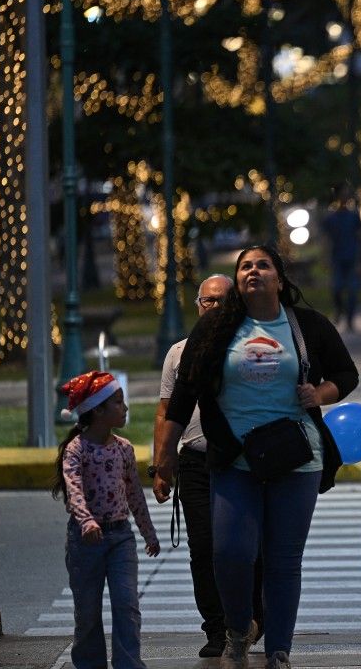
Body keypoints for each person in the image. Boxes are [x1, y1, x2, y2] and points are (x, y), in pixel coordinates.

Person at [155, 245, 359, 669]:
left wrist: (319, 393)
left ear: (278, 279)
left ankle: (278, 650)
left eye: (263, 265)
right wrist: (165, 455)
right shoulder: (216, 327)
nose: (253, 271)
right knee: (230, 552)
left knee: (283, 560)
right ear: (238, 280)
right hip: (234, 457)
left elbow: (347, 374)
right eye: (245, 266)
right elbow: (183, 395)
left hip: (296, 456)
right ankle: (237, 630)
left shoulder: (306, 325)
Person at [151, 274, 261, 658]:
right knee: (203, 547)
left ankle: (249, 618)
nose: (213, 307)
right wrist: (161, 464)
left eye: (221, 300)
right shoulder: (179, 353)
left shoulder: (251, 348)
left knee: (245, 546)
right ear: (197, 305)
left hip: (241, 461)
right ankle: (217, 629)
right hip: (195, 461)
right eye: (207, 301)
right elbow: (165, 410)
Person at [53, 370, 159, 669]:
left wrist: (148, 533)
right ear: (97, 410)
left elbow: (135, 494)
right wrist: (87, 521)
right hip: (86, 541)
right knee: (87, 612)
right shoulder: (76, 450)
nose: (125, 408)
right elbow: (74, 490)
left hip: (121, 538)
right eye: (118, 402)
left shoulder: (124, 448)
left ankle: (129, 664)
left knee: (127, 605)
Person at [321, 187, 361, 332]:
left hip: (352, 257)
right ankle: (339, 310)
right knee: (336, 288)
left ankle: (350, 320)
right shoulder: (331, 218)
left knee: (352, 290)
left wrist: (360, 260)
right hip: (337, 258)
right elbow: (326, 239)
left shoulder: (354, 217)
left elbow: (360, 237)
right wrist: (326, 257)